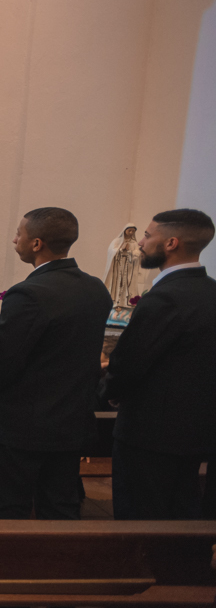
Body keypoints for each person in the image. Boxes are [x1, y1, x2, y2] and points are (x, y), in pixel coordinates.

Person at [0, 208, 111, 526]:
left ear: (36, 243)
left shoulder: (30, 294)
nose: (15, 239)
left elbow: (6, 361)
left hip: (21, 426)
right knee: (61, 506)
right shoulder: (96, 289)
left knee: (7, 510)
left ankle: (6, 572)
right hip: (71, 421)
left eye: (19, 234)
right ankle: (60, 571)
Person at [101, 208, 216, 520]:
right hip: (197, 433)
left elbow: (130, 362)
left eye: (149, 236)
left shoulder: (165, 297)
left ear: (172, 243)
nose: (140, 243)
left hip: (149, 434)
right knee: (181, 514)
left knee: (140, 517)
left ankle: (142, 569)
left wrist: (109, 390)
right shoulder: (210, 291)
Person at [103, 223, 143, 308]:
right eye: (129, 230)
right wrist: (121, 250)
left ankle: (126, 302)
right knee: (117, 283)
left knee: (127, 283)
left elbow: (137, 254)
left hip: (129, 268)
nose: (131, 232)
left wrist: (130, 252)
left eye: (133, 231)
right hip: (118, 267)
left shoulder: (134, 243)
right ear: (125, 230)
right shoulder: (117, 241)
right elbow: (111, 251)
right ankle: (115, 300)